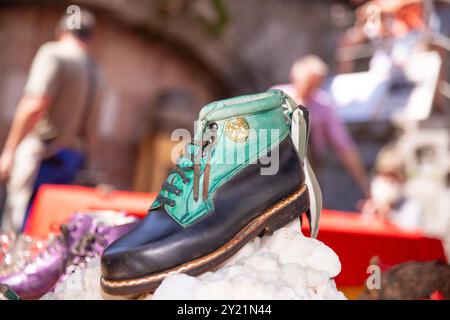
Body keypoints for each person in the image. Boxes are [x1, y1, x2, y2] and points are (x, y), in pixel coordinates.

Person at [0, 9, 101, 232]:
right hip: (73, 159)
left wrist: (10, 149)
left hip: (42, 154)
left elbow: (35, 103)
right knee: (49, 229)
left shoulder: (54, 54)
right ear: (90, 37)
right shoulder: (95, 71)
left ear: (61, 30)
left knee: (16, 226)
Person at [273, 55, 370, 198]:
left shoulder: (323, 105)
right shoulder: (276, 97)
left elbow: (344, 146)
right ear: (294, 77)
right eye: (308, 83)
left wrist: (365, 187)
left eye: (315, 85)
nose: (310, 89)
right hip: (278, 162)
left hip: (309, 166)